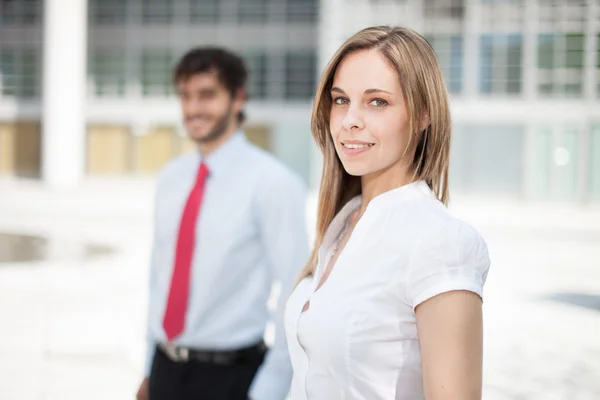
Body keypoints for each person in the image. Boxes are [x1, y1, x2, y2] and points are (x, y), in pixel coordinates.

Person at [284, 26, 491, 400]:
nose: (349, 120)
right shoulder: (342, 223)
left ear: (424, 112)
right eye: (341, 99)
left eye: (377, 101)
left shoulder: (440, 243)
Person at [136, 47, 309, 400]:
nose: (193, 108)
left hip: (232, 377)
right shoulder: (171, 178)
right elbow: (160, 279)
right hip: (165, 370)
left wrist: (270, 389)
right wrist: (148, 369)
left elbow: (296, 293)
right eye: (185, 96)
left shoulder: (273, 183)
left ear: (237, 98)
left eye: (207, 94)